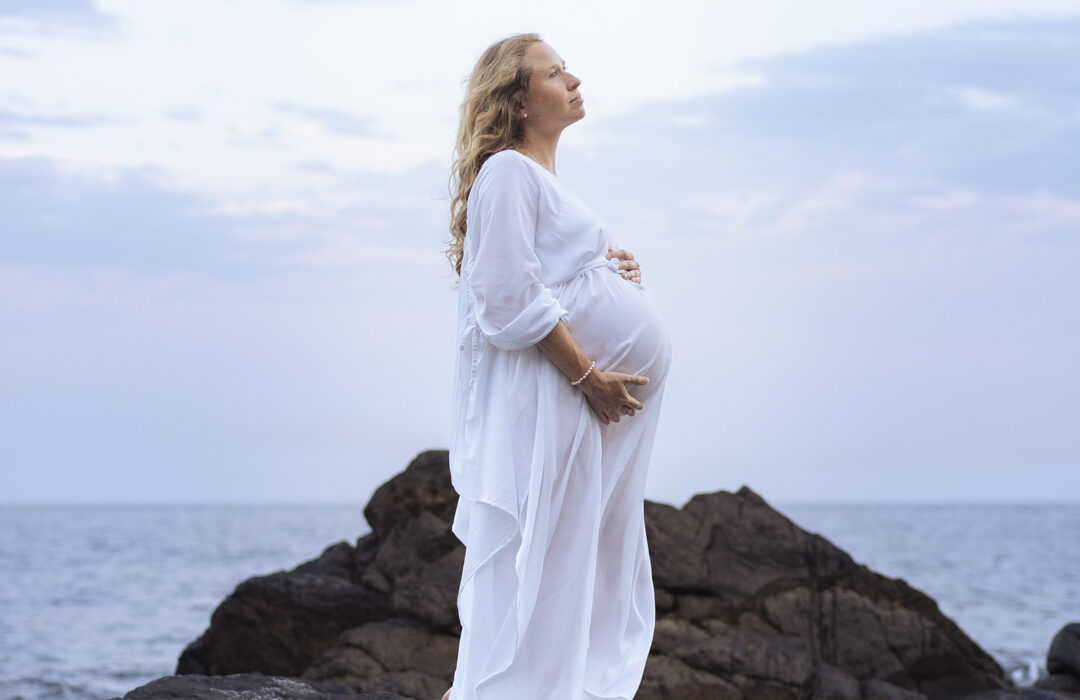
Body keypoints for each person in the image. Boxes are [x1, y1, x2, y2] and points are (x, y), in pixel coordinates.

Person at [441, 32, 672, 700]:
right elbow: (508, 294)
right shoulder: (508, 172)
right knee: (548, 572)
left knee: (582, 567)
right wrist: (589, 377)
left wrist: (614, 271)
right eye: (554, 72)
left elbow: (552, 275)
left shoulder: (540, 181)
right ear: (516, 102)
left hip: (585, 414)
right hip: (560, 403)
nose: (573, 80)